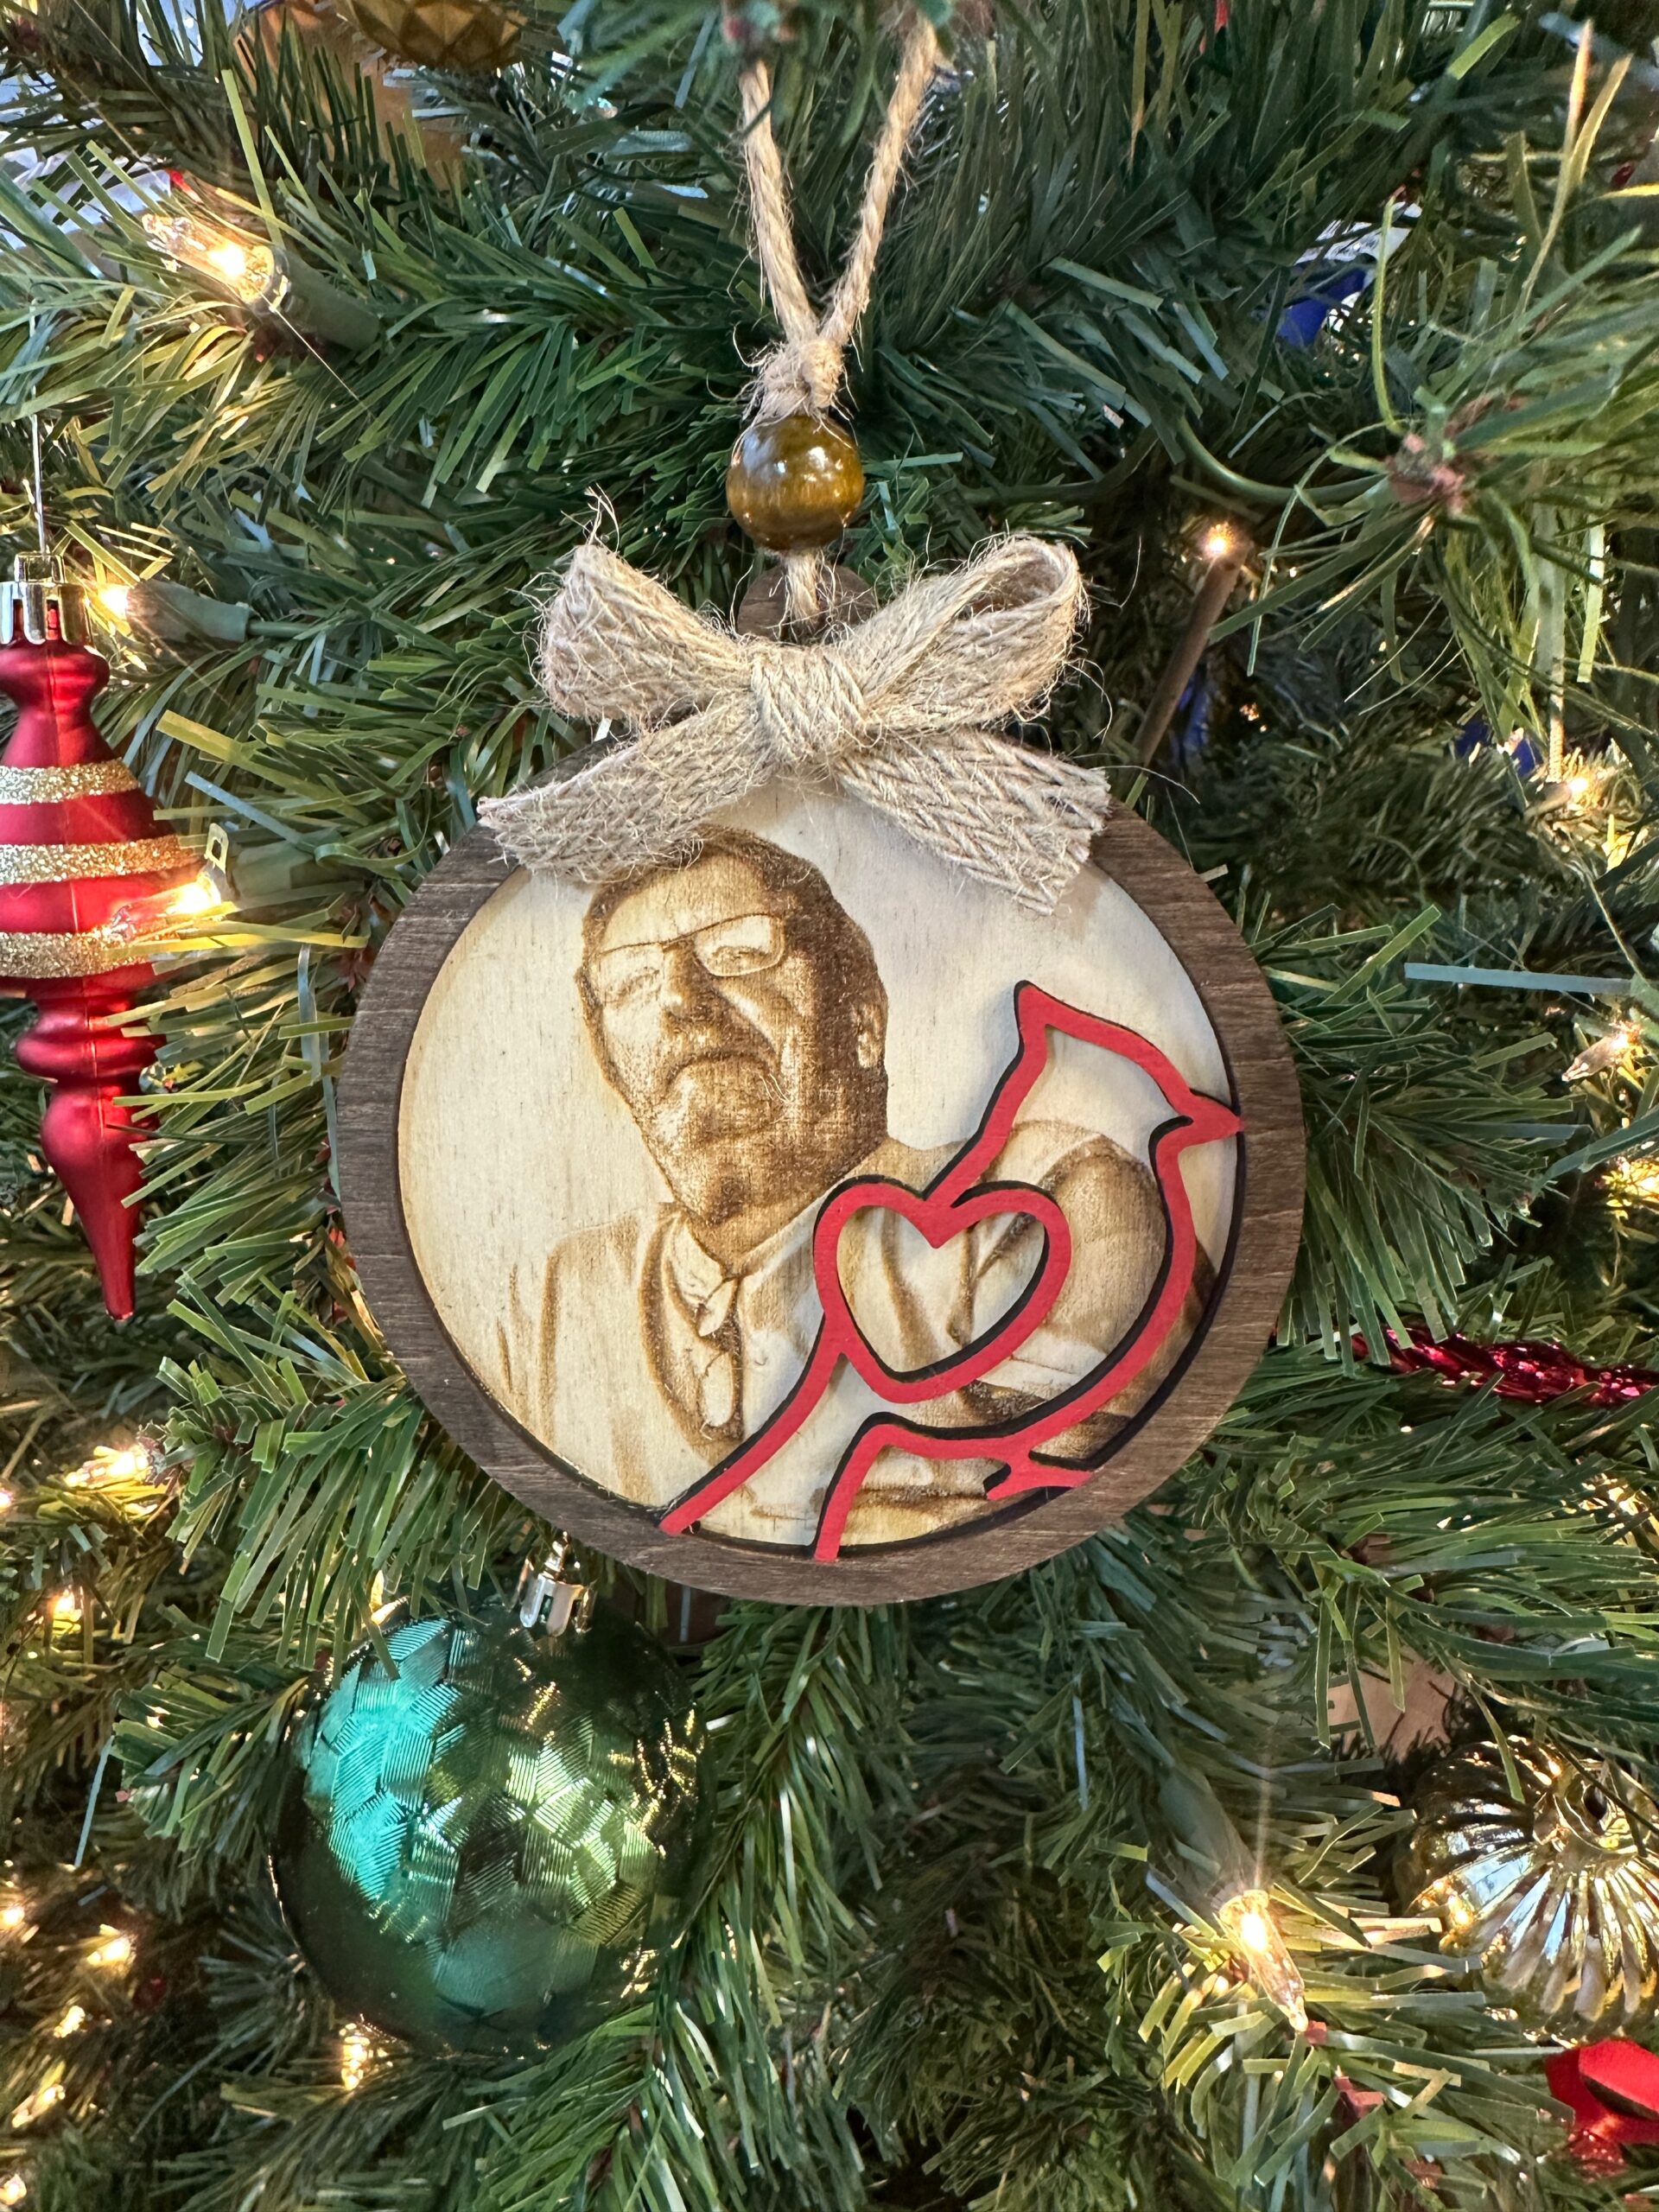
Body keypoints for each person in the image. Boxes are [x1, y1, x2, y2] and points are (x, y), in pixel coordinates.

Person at [493, 829, 1210, 1549]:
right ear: (615, 1071)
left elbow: (1052, 1531)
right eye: (633, 982)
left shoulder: (1046, 1199)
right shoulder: (549, 1308)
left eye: (740, 952)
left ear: (862, 1018)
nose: (680, 998)